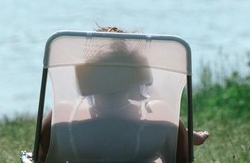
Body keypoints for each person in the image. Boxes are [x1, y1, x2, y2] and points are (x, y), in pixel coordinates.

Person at [36, 26, 209, 163]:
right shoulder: (162, 119)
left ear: (84, 75)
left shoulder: (61, 117)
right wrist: (181, 132)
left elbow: (41, 159)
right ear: (139, 74)